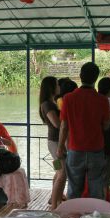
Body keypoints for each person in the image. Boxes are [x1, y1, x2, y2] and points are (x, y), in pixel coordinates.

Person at [57, 62, 110, 200]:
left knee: (74, 191)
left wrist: (60, 147)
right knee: (96, 191)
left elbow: (64, 126)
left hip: (75, 150)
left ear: (80, 76)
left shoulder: (68, 99)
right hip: (96, 151)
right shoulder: (102, 100)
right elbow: (106, 126)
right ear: (96, 78)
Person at [39, 76, 66, 210]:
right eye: (57, 84)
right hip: (55, 143)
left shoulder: (52, 102)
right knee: (62, 173)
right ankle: (55, 205)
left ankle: (55, 198)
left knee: (57, 172)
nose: (59, 87)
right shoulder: (47, 104)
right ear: (51, 87)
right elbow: (56, 123)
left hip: (54, 143)